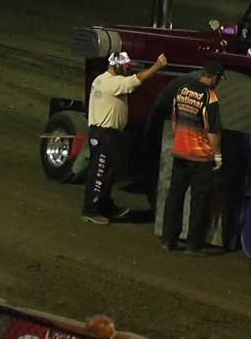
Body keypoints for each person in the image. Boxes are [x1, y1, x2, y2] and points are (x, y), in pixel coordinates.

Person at [81, 52, 168, 225]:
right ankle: (91, 210)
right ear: (117, 65)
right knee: (100, 174)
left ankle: (104, 206)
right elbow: (137, 80)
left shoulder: (101, 80)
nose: (128, 69)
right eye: (126, 66)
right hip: (105, 134)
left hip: (105, 134)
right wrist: (157, 66)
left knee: (108, 173)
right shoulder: (112, 83)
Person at [161, 61, 225, 256]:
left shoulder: (181, 90)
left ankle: (168, 240)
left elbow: (174, 120)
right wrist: (218, 155)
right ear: (214, 78)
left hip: (180, 151)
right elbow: (213, 131)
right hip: (200, 157)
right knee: (199, 201)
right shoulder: (210, 97)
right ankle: (193, 245)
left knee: (175, 197)